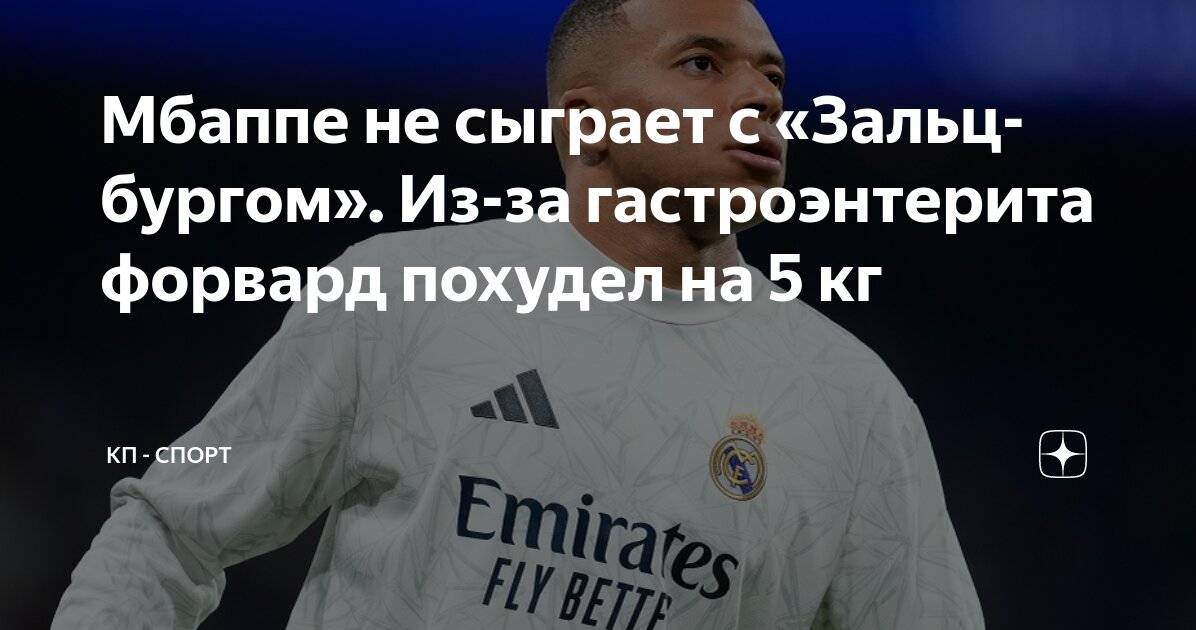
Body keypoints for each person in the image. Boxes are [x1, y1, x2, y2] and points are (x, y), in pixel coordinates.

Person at [54, 0, 984, 627]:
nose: (759, 98)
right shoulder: (404, 291)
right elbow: (171, 533)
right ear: (588, 124)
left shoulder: (854, 403)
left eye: (772, 78)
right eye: (703, 64)